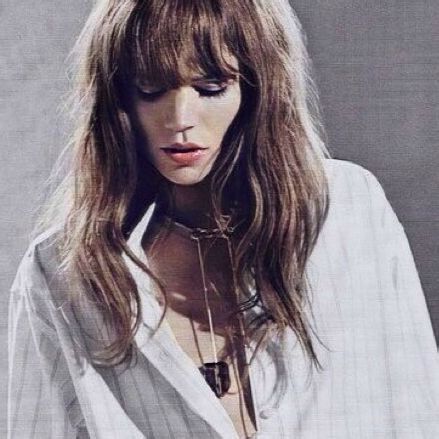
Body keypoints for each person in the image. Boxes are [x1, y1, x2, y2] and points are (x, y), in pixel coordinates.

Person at [7, 0, 439, 438]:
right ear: (118, 97)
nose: (180, 120)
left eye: (210, 87)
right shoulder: (60, 272)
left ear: (257, 87)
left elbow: (419, 406)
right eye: (151, 89)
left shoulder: (346, 211)